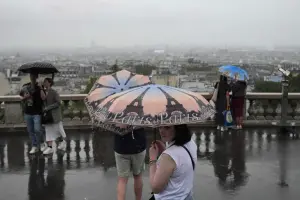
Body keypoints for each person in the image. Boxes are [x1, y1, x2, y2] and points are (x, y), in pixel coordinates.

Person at [149, 124, 197, 200]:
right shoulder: (190, 143)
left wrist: (152, 159)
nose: (161, 131)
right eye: (160, 127)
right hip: (186, 195)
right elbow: (176, 166)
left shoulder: (169, 156)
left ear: (178, 128)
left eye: (167, 127)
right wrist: (165, 150)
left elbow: (155, 188)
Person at [114, 127, 146, 200]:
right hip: (139, 144)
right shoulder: (139, 115)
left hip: (120, 146)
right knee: (138, 176)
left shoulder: (117, 114)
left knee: (122, 180)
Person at [20, 72, 46, 154]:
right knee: (30, 130)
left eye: (34, 76)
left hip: (37, 112)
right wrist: (26, 97)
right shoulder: (26, 86)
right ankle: (34, 146)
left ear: (36, 77)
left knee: (38, 130)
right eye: (31, 76)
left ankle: (42, 143)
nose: (32, 77)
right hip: (28, 111)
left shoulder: (40, 87)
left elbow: (43, 98)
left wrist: (41, 88)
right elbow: (21, 97)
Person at [42, 78, 67, 155]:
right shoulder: (43, 92)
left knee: (57, 131)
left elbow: (58, 103)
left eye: (45, 82)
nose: (44, 83)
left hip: (54, 115)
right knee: (48, 131)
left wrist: (48, 108)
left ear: (49, 83)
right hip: (47, 115)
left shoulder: (54, 92)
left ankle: (62, 141)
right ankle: (50, 147)